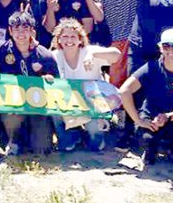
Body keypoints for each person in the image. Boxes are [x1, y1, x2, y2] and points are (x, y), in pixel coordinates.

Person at [118, 28, 173, 176]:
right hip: (151, 117)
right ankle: (151, 151)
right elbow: (124, 91)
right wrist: (138, 120)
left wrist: (168, 117)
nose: (170, 51)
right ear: (160, 48)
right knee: (146, 138)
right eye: (166, 46)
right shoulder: (151, 68)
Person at [0, 11, 59, 156]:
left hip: (37, 107)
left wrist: (49, 81)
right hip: (12, 105)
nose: (21, 34)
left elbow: (57, 86)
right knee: (12, 116)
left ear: (32, 31)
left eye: (25, 29)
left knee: (42, 148)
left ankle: (31, 135)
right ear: (10, 30)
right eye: (16, 29)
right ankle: (12, 140)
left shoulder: (45, 55)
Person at [50, 18, 121, 152]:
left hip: (94, 103)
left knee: (95, 144)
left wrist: (93, 54)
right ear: (58, 39)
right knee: (54, 109)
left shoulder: (90, 51)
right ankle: (70, 138)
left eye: (73, 36)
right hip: (70, 103)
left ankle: (95, 132)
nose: (69, 40)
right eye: (65, 36)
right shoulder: (54, 56)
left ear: (80, 39)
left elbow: (116, 55)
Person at [86, 0, 137, 86]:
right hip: (116, 39)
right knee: (116, 80)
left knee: (135, 78)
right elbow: (99, 17)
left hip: (135, 37)